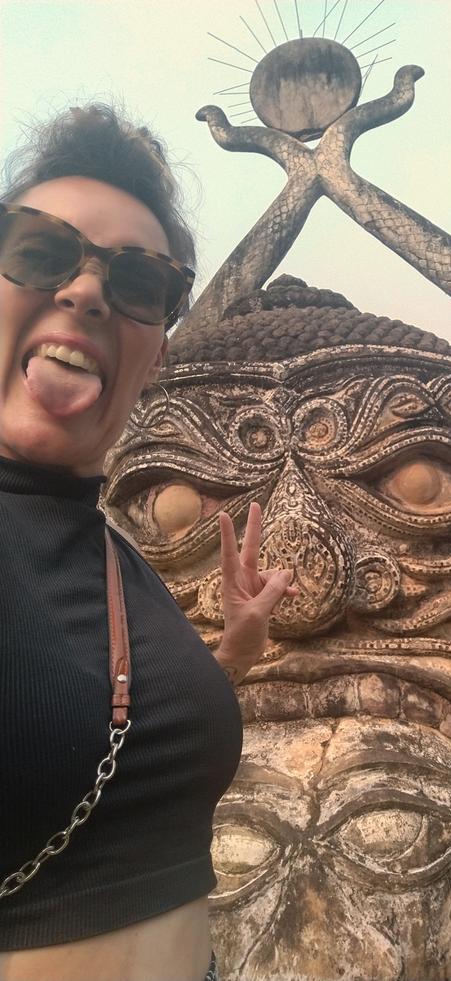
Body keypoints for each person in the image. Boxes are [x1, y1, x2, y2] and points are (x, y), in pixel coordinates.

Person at [0, 104, 295, 981]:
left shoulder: (114, 552)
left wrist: (226, 656)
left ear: (158, 351)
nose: (85, 290)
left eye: (139, 282)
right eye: (36, 251)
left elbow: (92, 719)